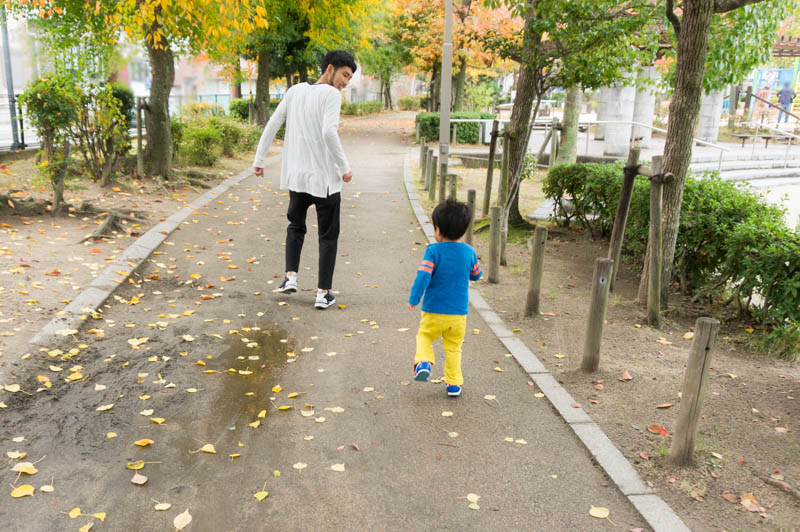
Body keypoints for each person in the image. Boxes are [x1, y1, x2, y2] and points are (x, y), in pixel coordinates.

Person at [252, 50, 356, 309]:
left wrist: (259, 159)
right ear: (330, 69)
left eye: (349, 79)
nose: (346, 82)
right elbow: (329, 132)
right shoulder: (331, 95)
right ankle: (322, 293)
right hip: (325, 180)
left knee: (295, 227)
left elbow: (273, 123)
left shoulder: (294, 91)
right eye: (345, 75)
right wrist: (345, 167)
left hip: (298, 177)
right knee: (328, 236)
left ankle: (290, 277)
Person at [408, 199, 482, 397]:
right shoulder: (469, 252)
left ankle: (424, 362)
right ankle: (454, 384)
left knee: (424, 336)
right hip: (458, 314)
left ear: (438, 229)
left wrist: (414, 299)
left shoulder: (433, 252)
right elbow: (476, 275)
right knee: (454, 347)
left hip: (433, 310)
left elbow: (423, 275)